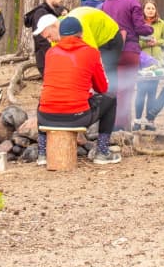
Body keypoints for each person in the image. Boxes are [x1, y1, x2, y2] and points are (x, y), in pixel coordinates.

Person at [36, 16, 120, 165]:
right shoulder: (91, 52)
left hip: (45, 118)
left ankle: (42, 153)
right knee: (111, 99)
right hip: (76, 117)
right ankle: (102, 151)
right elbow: (102, 88)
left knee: (45, 100)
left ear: (61, 35)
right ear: (81, 34)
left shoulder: (50, 53)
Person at [100, 0, 153, 130]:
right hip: (129, 50)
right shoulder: (132, 2)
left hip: (111, 52)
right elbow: (139, 27)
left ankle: (108, 124)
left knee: (113, 88)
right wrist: (148, 29)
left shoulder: (106, 3)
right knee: (126, 90)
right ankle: (119, 127)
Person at [134, 0, 164, 130]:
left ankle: (150, 121)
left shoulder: (161, 24)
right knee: (140, 92)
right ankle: (137, 122)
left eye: (152, 8)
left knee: (152, 93)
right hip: (142, 62)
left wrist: (157, 42)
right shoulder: (138, 23)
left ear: (156, 10)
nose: (150, 10)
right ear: (143, 10)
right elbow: (133, 42)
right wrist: (145, 43)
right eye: (148, 8)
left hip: (156, 63)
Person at [66, 5, 123, 88]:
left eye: (49, 36)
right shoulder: (56, 37)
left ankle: (109, 98)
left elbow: (93, 53)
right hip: (96, 35)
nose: (49, 40)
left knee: (107, 73)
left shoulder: (80, 28)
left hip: (111, 37)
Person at [23, 0, 65, 76]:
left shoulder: (52, 12)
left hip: (53, 60)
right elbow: (40, 39)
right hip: (47, 61)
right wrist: (55, 56)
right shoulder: (41, 13)